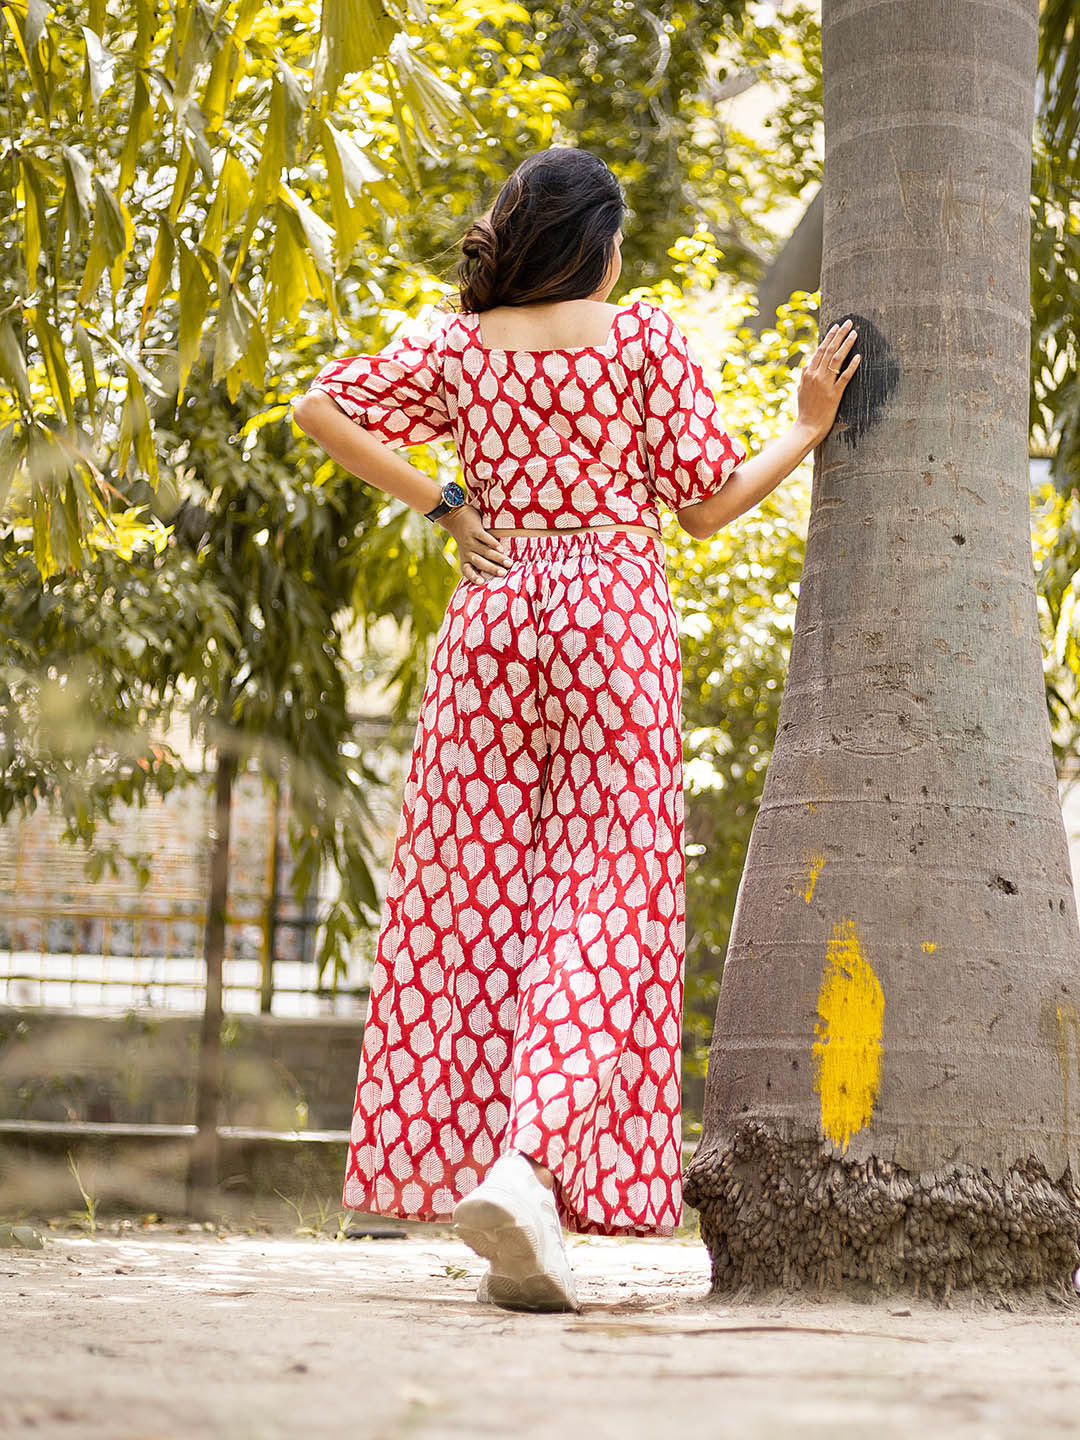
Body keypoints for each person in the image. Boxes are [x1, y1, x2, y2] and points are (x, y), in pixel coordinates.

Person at [292, 146, 860, 1314]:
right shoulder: (641, 340)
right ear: (596, 244)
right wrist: (803, 430)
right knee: (608, 899)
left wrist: (447, 503)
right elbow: (704, 508)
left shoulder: (461, 347)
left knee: (480, 897)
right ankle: (530, 1167)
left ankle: (500, 1179)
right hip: (612, 620)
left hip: (493, 616)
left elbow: (319, 407)